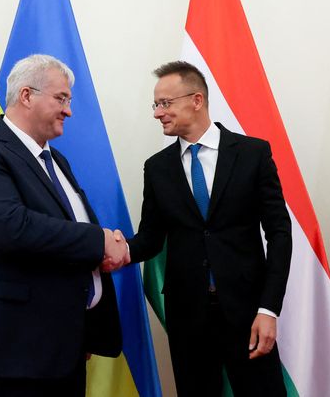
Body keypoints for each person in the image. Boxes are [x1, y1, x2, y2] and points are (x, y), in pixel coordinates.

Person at [0, 54, 128, 397]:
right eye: (61, 99)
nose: (69, 111)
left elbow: (64, 232)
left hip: (64, 346)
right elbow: (11, 229)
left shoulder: (55, 159)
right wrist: (98, 241)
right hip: (9, 352)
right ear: (27, 96)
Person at [124, 61, 292, 397]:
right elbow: (150, 239)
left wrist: (268, 308)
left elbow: (279, 233)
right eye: (156, 105)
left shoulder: (253, 154)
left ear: (197, 100)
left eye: (165, 103)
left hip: (248, 314)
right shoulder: (157, 168)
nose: (158, 113)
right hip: (188, 318)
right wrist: (110, 249)